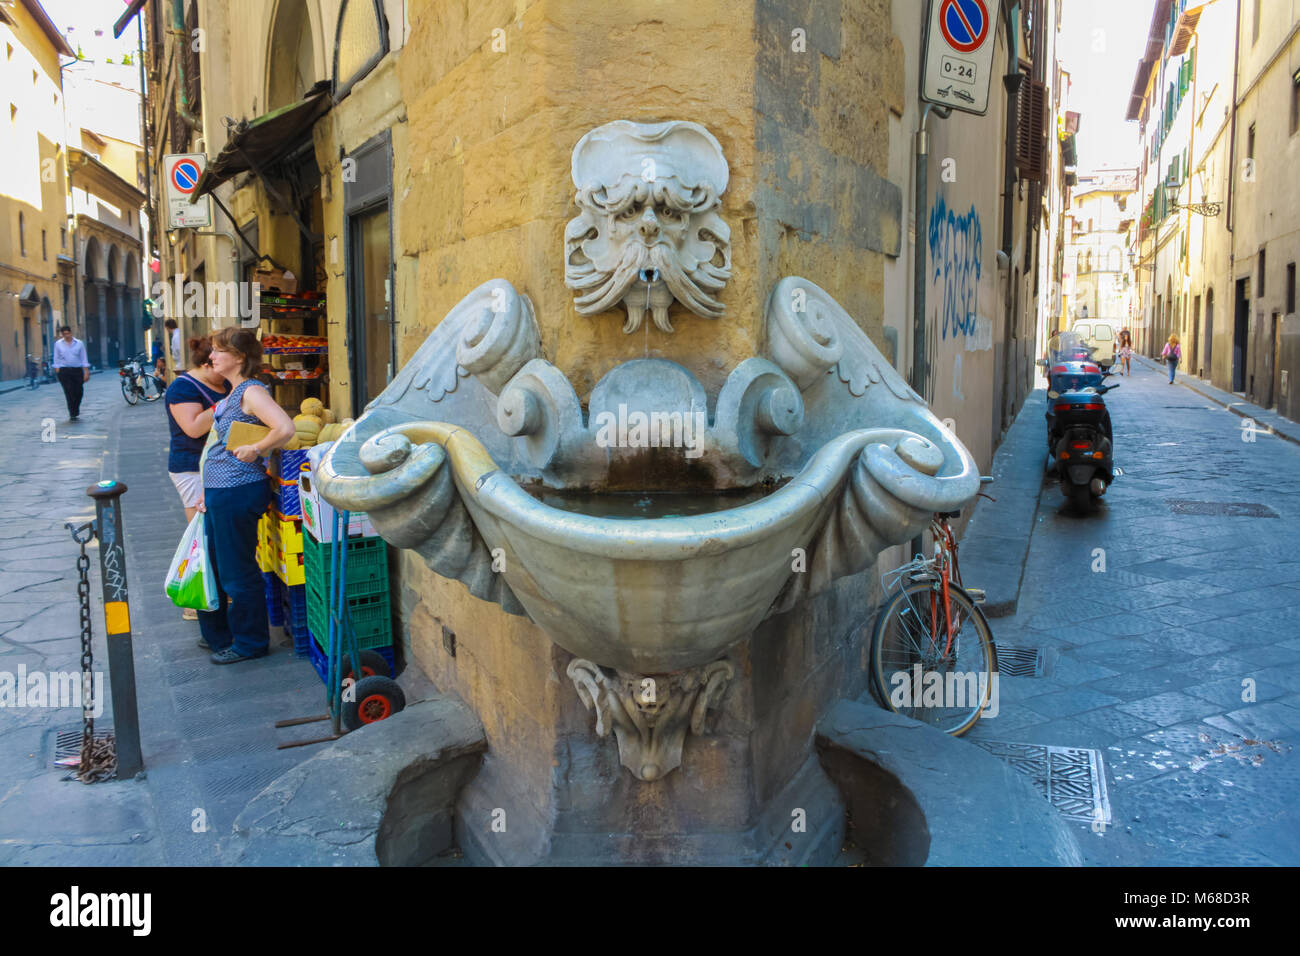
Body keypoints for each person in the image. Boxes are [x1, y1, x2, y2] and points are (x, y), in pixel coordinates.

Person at [195, 327, 295, 663]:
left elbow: (285, 428)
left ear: (239, 357)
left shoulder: (251, 391)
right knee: (219, 566)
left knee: (237, 571)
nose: (211, 356)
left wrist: (257, 448)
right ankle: (224, 635)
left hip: (237, 490)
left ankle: (250, 643)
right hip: (222, 492)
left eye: (218, 351)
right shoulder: (234, 392)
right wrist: (206, 491)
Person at [164, 337, 231, 621]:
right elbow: (192, 428)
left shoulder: (225, 384)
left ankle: (218, 594)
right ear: (206, 363)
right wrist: (224, 404)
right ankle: (196, 601)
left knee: (216, 535)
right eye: (217, 362)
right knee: (201, 537)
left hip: (218, 466)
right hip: (191, 468)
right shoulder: (183, 388)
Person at [52, 326, 90, 421]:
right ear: (62, 334)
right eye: (64, 334)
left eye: (67, 333)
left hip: (77, 370)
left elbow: (84, 358)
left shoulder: (79, 343)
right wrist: (57, 370)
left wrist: (86, 372)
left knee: (79, 392)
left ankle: (75, 408)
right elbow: (56, 358)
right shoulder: (58, 344)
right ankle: (72, 412)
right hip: (64, 371)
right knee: (69, 391)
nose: (66, 336)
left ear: (71, 333)